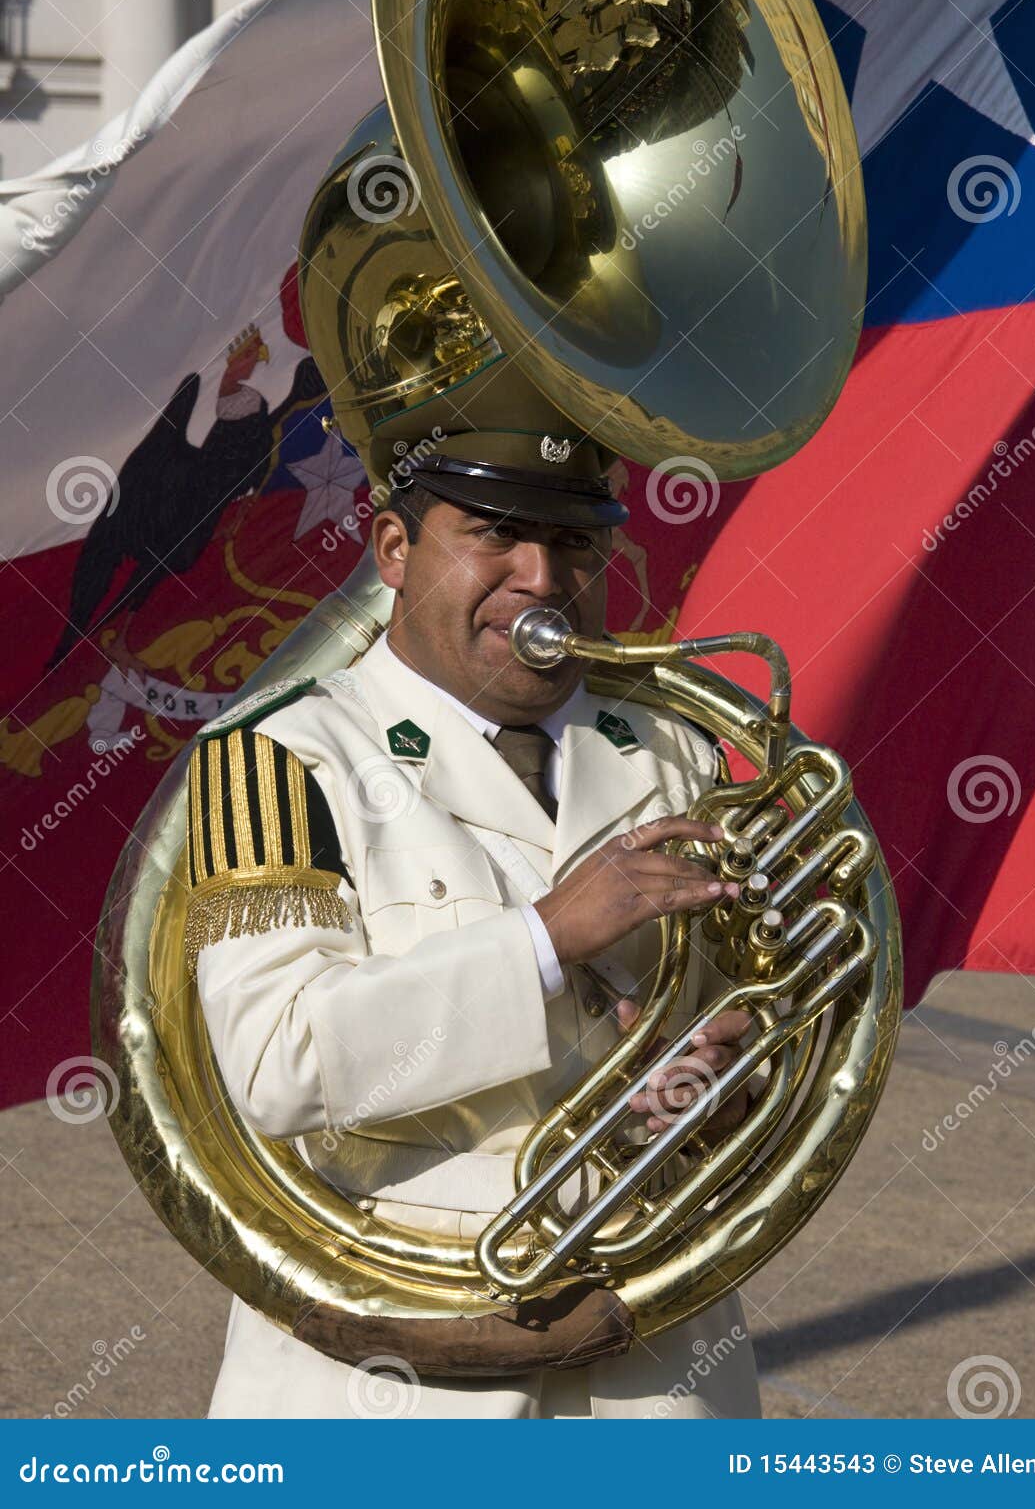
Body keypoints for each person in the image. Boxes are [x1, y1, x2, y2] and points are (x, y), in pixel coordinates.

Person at [184, 362, 762, 1419]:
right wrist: (544, 938)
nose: (542, 576)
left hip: (653, 1374)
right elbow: (278, 1062)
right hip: (386, 1385)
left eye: (575, 541)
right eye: (493, 532)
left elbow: (751, 1018)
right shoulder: (272, 760)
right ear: (394, 551)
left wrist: (719, 1073)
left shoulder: (676, 749)